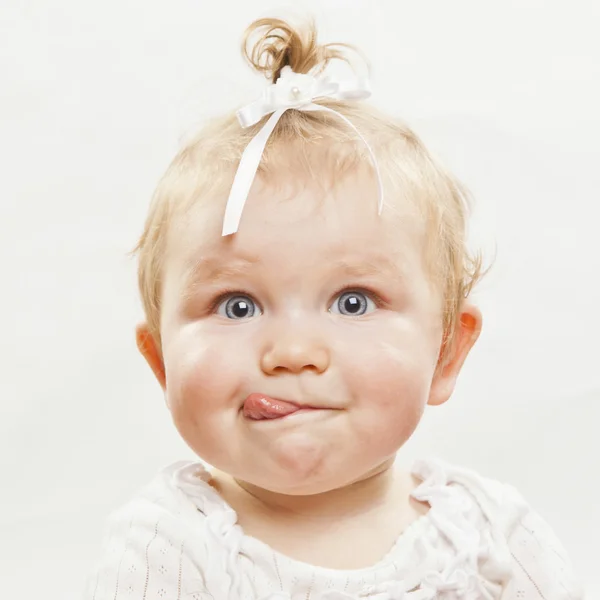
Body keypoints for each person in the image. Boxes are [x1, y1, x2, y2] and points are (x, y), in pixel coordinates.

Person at [83, 17, 584, 600]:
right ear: (162, 361)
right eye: (237, 305)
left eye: (353, 302)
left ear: (446, 351)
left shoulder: (492, 539)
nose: (293, 353)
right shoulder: (164, 554)